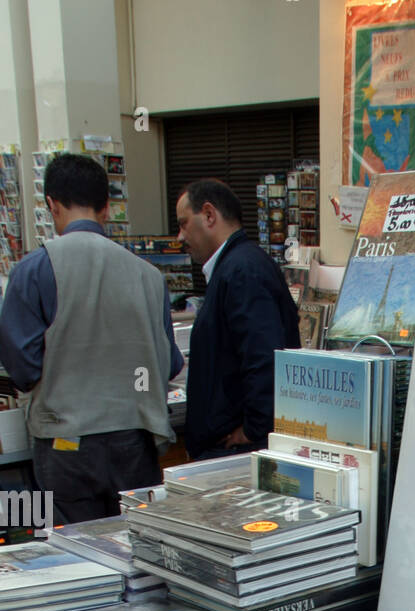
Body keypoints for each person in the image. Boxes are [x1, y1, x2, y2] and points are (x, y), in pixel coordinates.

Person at [0, 153, 183, 522]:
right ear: (106, 206)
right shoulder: (148, 275)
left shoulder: (33, 271)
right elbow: (169, 363)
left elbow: (23, 369)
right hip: (137, 443)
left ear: (50, 204)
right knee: (140, 546)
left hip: (66, 445)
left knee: (76, 558)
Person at [176, 178, 301, 461]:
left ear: (209, 215)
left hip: (237, 451)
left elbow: (264, 356)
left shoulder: (242, 271)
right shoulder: (234, 268)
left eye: (184, 224)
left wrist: (254, 430)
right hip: (228, 446)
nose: (180, 237)